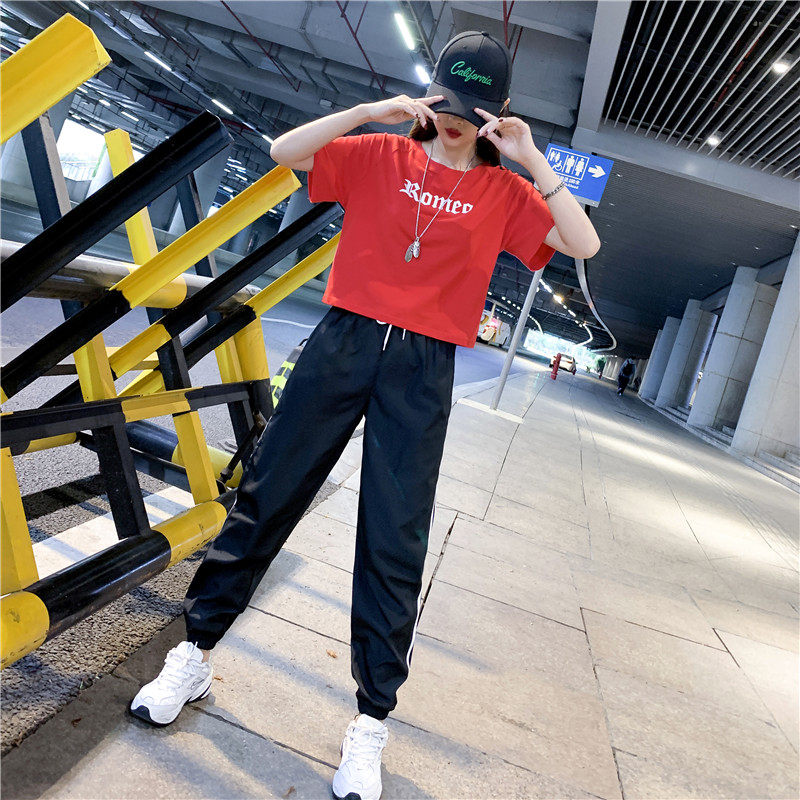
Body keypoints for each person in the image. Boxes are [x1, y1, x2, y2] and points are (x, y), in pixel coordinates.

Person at [129, 31, 600, 800]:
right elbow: (284, 151)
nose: (455, 122)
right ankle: (194, 654)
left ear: (498, 112)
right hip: (342, 342)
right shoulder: (381, 153)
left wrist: (531, 159)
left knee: (394, 536)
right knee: (267, 496)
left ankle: (371, 720)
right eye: (446, 103)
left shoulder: (508, 193)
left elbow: (584, 240)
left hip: (423, 368)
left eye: (473, 112)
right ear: (430, 93)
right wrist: (368, 111)